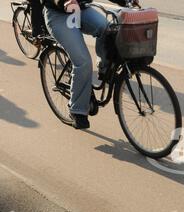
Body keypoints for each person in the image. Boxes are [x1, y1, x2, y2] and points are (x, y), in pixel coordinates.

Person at [41, 0, 139, 129]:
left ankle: (105, 70)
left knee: (109, 30)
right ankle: (77, 111)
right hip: (58, 14)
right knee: (83, 62)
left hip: (80, 10)